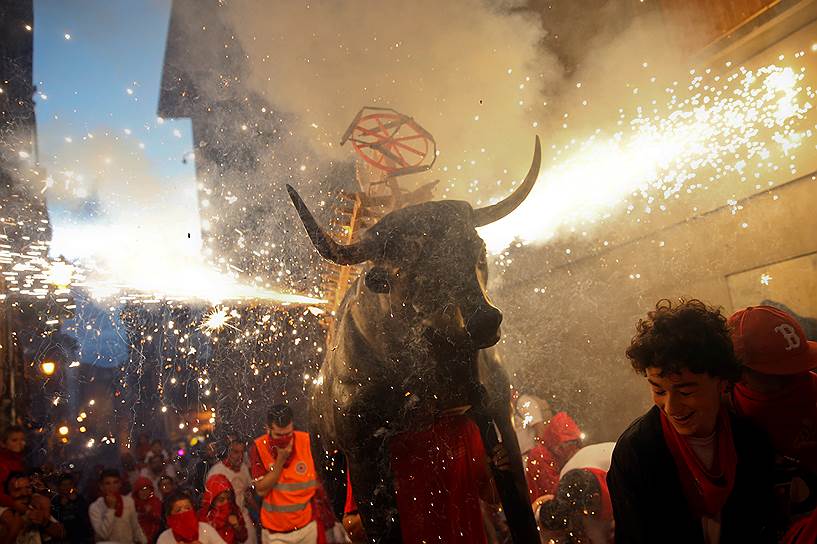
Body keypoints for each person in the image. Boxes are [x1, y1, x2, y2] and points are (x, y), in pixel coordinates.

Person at [608, 298, 777, 543]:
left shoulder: (751, 441)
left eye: (686, 391)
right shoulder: (636, 452)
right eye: (658, 390)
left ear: (722, 381)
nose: (671, 406)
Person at [727, 305, 817, 519]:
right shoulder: (724, 412)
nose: (796, 376)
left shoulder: (812, 389)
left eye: (800, 365)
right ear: (739, 373)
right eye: (779, 372)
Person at [250, 404, 320, 543]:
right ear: (268, 429)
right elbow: (261, 490)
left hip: (307, 528)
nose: (284, 439)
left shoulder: (306, 441)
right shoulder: (259, 446)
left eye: (288, 434)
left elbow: (319, 479)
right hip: (275, 534)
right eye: (278, 435)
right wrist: (280, 461)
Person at [536, 467, 614, 544]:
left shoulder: (616, 508)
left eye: (576, 515)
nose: (573, 524)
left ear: (594, 499)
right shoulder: (574, 486)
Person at [207, 438, 256, 544]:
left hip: (242, 516)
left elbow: (248, 493)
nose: (240, 456)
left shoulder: (244, 468)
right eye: (235, 452)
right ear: (228, 452)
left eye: (242, 452)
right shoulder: (216, 472)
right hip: (222, 521)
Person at [525, 411, 583, 500]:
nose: (571, 447)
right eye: (567, 442)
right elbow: (555, 490)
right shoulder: (540, 455)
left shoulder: (564, 452)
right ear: (554, 441)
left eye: (573, 442)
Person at [0, 471, 66, 543]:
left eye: (28, 488)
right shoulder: (3, 513)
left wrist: (44, 522)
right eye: (17, 489)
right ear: (7, 493)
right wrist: (13, 531)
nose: (24, 493)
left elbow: (61, 534)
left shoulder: (35, 507)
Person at [88, 468, 147, 543]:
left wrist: (144, 541)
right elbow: (103, 535)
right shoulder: (95, 507)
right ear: (101, 486)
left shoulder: (128, 501)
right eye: (107, 483)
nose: (112, 486)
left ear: (120, 484)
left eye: (115, 482)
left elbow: (135, 526)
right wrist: (111, 509)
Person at [157, 490, 226, 544]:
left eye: (188, 508)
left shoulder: (205, 529)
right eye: (178, 510)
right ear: (169, 517)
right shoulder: (164, 538)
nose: (184, 512)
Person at [199, 474, 248, 543]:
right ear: (212, 501)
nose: (226, 503)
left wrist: (237, 526)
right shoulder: (204, 517)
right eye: (221, 500)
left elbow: (243, 537)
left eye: (229, 499)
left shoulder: (234, 511)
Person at [51, 473, 93, 543]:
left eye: (69, 484)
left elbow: (86, 518)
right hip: (63, 539)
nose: (67, 487)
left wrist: (76, 501)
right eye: (63, 485)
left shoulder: (79, 498)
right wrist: (61, 505)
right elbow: (54, 520)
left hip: (81, 538)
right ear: (59, 487)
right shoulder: (55, 500)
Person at [0, 426, 27, 511]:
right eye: (14, 440)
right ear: (3, 443)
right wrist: (13, 504)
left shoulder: (20, 460)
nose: (20, 443)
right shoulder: (2, 462)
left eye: (22, 440)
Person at [132, 477, 163, 544]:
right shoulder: (131, 504)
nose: (144, 492)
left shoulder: (156, 502)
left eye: (146, 489)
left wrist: (150, 513)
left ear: (150, 490)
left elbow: (159, 520)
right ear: (136, 491)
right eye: (141, 490)